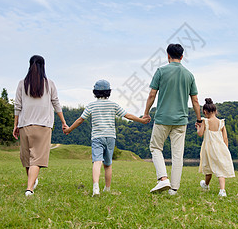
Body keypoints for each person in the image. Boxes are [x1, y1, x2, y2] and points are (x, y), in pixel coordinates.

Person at [64, 79, 149, 196]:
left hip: (97, 137)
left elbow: (80, 120)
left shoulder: (91, 105)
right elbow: (127, 115)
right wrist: (141, 120)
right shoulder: (113, 104)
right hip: (110, 137)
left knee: (97, 162)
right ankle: (107, 189)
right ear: (109, 92)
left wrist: (69, 129)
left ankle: (95, 189)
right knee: (108, 164)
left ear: (95, 92)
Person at [143, 43, 202, 195]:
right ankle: (174, 189)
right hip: (181, 121)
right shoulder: (189, 75)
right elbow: (195, 100)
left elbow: (152, 95)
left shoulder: (161, 71)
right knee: (177, 155)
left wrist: (146, 113)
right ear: (182, 57)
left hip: (162, 118)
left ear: (168, 56)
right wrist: (199, 119)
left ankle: (163, 179)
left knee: (156, 148)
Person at [13, 55, 68, 197]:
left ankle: (31, 183)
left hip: (25, 125)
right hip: (43, 126)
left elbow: (17, 106)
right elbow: (56, 103)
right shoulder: (49, 83)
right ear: (43, 66)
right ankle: (29, 189)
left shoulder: (22, 83)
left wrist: (16, 125)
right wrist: (63, 121)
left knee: (27, 158)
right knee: (36, 158)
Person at [197, 98, 235, 197]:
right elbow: (225, 138)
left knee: (208, 168)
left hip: (208, 148)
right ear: (215, 111)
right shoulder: (221, 122)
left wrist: (198, 128)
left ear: (205, 112)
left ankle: (206, 184)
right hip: (220, 148)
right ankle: (222, 190)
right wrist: (225, 149)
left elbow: (200, 134)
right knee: (220, 168)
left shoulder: (205, 121)